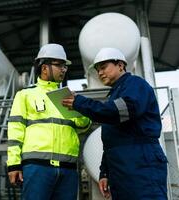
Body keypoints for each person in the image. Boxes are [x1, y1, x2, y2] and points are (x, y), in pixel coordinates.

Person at [62, 47, 168, 200]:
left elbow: (119, 111)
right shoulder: (114, 95)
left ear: (120, 65)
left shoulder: (136, 84)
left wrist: (80, 103)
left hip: (141, 163)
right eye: (98, 70)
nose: (100, 73)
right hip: (121, 168)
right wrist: (104, 172)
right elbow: (112, 141)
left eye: (103, 67)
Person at [6, 43, 91, 200]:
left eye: (65, 66)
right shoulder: (25, 95)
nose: (64, 69)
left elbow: (84, 126)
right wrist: (14, 164)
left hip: (68, 169)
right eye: (59, 65)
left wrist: (77, 107)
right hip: (37, 168)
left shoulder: (68, 97)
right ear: (44, 68)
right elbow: (15, 131)